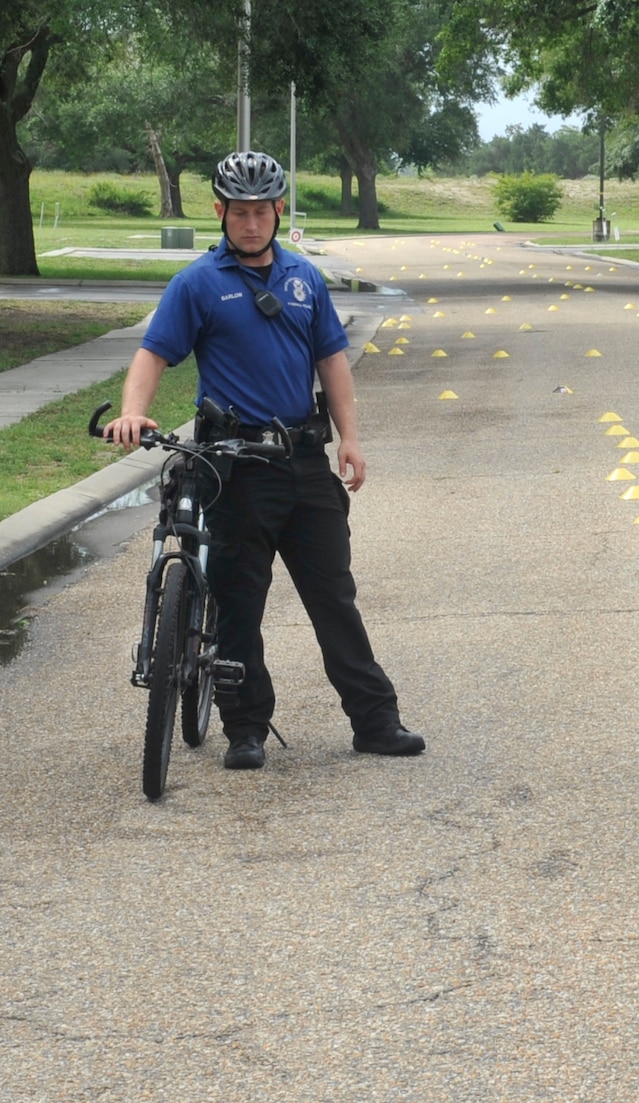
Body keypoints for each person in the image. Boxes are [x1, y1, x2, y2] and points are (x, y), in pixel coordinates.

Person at [106, 151, 421, 771]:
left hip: (304, 461)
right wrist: (134, 411)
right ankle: (245, 728)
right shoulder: (196, 283)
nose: (251, 224)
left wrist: (350, 438)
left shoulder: (305, 279)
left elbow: (332, 362)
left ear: (279, 211)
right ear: (220, 212)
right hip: (234, 465)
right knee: (239, 602)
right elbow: (153, 355)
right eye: (239, 212)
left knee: (334, 597)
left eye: (262, 212)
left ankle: (375, 721)